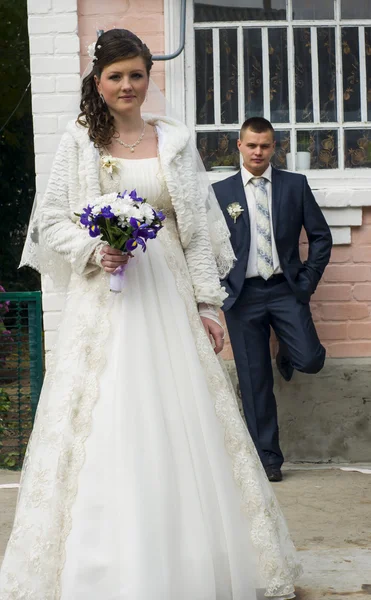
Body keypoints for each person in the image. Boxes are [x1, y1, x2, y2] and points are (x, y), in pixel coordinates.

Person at [0, 31, 302, 599]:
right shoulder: (79, 140)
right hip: (107, 304)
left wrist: (209, 305)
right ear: (98, 81)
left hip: (169, 301)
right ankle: (104, 565)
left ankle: (195, 558)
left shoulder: (175, 142)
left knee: (187, 420)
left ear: (148, 78)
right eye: (115, 76)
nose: (126, 86)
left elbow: (199, 232)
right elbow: (53, 223)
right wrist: (94, 249)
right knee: (108, 416)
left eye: (136, 74)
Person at [213, 117, 332, 483]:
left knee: (310, 360)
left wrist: (306, 282)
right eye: (252, 145)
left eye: (265, 146)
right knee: (255, 380)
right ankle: (267, 458)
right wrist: (219, 288)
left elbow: (320, 237)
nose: (258, 152)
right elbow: (208, 246)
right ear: (239, 145)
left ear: (274, 146)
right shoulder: (221, 193)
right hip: (243, 296)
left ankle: (287, 350)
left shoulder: (294, 186)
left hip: (285, 289)